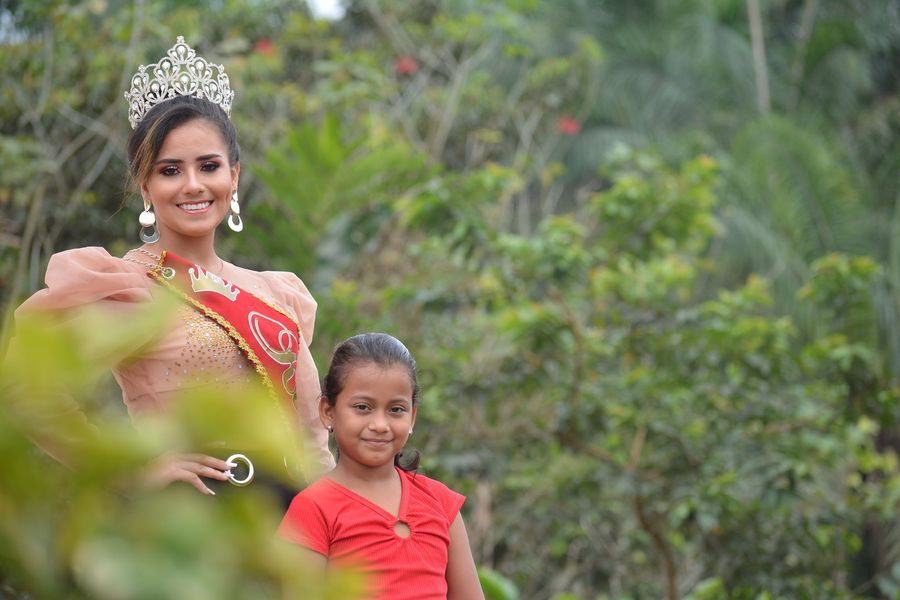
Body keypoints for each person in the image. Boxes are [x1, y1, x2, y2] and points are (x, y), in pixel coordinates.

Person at [9, 36, 334, 503]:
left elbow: (312, 439)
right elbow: (25, 387)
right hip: (189, 518)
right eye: (170, 170)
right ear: (145, 186)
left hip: (288, 522)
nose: (193, 185)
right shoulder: (125, 287)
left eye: (209, 166)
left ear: (234, 176)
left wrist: (335, 519)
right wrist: (129, 472)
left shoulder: (276, 293)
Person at [277, 332, 484, 600]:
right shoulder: (312, 509)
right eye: (363, 407)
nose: (380, 425)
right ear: (328, 411)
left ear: (412, 417)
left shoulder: (441, 503)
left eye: (396, 409)